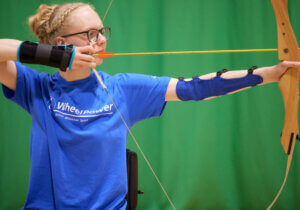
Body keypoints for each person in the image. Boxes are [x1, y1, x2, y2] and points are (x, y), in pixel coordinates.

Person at [0, 2, 299, 209]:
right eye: (90, 34)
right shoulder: (37, 88)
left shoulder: (122, 88)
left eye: (103, 31)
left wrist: (271, 74)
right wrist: (52, 56)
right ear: (61, 42)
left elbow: (195, 87)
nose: (101, 40)